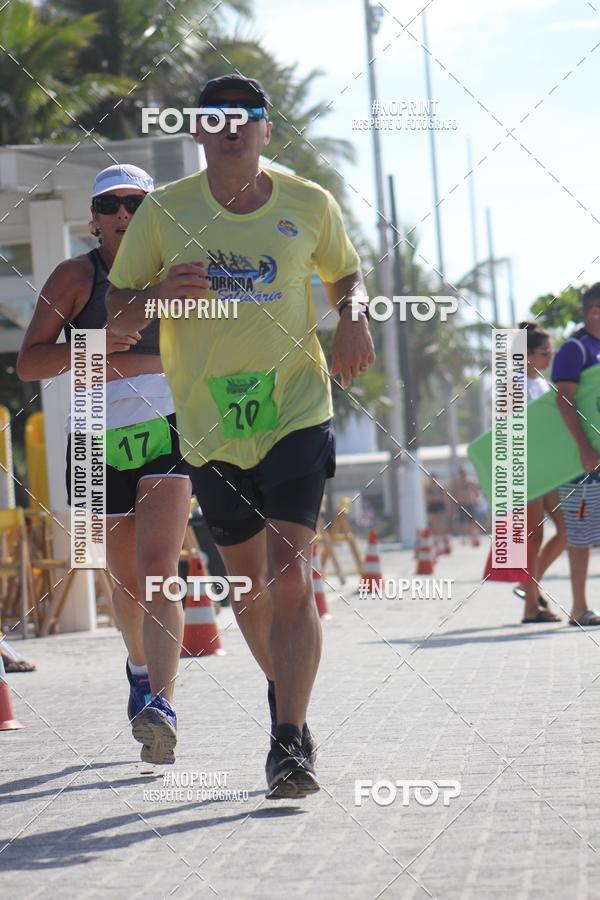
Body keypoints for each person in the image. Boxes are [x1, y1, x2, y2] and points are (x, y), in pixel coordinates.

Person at [106, 74, 375, 798]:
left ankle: (289, 739)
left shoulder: (309, 203)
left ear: (266, 128)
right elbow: (117, 310)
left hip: (295, 409)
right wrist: (156, 296)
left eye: (247, 116)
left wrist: (353, 316)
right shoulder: (166, 212)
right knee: (249, 589)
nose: (233, 128)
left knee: (290, 576)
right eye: (217, 117)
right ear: (197, 130)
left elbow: (346, 275)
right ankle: (286, 697)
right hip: (209, 425)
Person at [17, 164, 192, 762]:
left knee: (159, 569)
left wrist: (128, 364)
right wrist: (89, 349)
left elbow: (200, 355)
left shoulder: (175, 273)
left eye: (136, 203)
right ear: (93, 218)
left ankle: (162, 705)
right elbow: (30, 362)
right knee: (125, 582)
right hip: (93, 432)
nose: (123, 214)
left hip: (167, 423)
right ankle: (139, 672)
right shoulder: (75, 276)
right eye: (111, 204)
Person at [552, 285, 600, 626]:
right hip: (580, 460)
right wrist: (584, 446)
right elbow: (564, 399)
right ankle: (579, 607)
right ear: (594, 311)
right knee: (580, 534)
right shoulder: (575, 349)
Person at [515, 322, 565, 623]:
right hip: (526, 466)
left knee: (567, 531)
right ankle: (530, 607)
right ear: (527, 355)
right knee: (533, 537)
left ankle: (529, 587)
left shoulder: (541, 384)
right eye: (545, 352)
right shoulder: (515, 384)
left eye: (551, 351)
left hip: (547, 467)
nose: (550, 357)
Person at [450, 466, 481, 545]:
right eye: (461, 473)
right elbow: (454, 493)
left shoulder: (470, 482)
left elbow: (476, 491)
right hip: (462, 504)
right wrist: (454, 503)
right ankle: (464, 537)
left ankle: (474, 538)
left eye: (464, 473)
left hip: (470, 503)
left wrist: (477, 499)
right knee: (463, 522)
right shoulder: (457, 483)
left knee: (472, 522)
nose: (463, 475)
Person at [425, 474, 451, 553]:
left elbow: (444, 498)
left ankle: (446, 545)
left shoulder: (440, 487)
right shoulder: (428, 488)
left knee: (443, 526)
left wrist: (447, 508)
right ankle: (437, 547)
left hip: (440, 506)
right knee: (435, 527)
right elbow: (429, 499)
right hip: (433, 507)